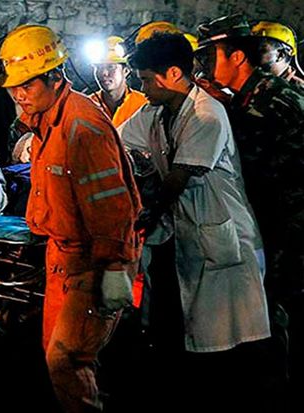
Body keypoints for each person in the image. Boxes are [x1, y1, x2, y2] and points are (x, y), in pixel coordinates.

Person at [118, 31, 271, 411]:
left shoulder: (207, 115)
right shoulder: (155, 112)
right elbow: (116, 140)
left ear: (173, 74)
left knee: (232, 337)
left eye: (146, 80)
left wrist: (144, 215)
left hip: (220, 230)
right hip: (183, 231)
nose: (142, 88)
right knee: (185, 327)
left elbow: (177, 179)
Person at [0, 24, 142, 412]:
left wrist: (114, 267)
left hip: (92, 260)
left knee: (65, 359)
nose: (18, 94)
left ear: (55, 77)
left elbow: (112, 204)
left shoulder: (81, 126)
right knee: (57, 354)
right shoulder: (47, 123)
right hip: (62, 257)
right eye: (14, 86)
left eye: (27, 84)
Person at [196, 14, 304, 411]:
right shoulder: (250, 97)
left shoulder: (270, 101)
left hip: (291, 224)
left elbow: (255, 164)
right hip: (277, 221)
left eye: (212, 57)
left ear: (237, 57)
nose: (205, 67)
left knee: (283, 308)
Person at [88, 35, 148, 127]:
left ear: (126, 71)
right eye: (99, 67)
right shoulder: (87, 105)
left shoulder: (143, 105)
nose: (104, 73)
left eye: (111, 67)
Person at [252, 20, 304, 88]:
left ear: (280, 55)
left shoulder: (297, 90)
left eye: (262, 50)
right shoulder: (256, 80)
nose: (252, 55)